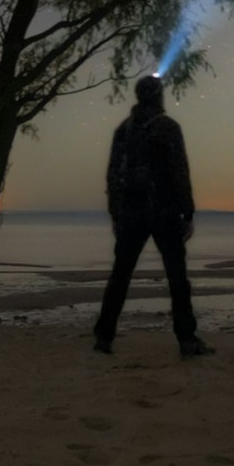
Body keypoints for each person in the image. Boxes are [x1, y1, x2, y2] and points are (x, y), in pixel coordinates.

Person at [92, 74, 213, 358]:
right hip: (165, 211)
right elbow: (180, 171)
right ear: (159, 96)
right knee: (177, 278)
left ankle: (104, 337)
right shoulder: (168, 128)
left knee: (120, 276)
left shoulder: (123, 131)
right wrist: (188, 211)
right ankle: (187, 340)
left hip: (131, 212)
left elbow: (112, 174)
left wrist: (115, 213)